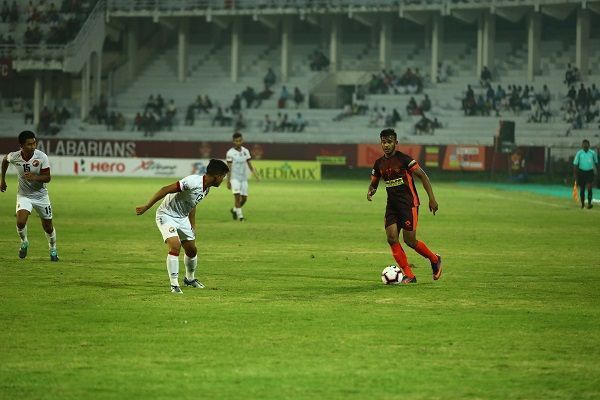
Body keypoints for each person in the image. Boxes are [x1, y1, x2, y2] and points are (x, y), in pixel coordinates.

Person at [135, 159, 230, 294]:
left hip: (183, 218)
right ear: (217, 176)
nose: (223, 180)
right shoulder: (192, 182)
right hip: (166, 215)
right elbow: (165, 189)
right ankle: (174, 285)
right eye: (223, 177)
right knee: (175, 245)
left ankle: (189, 279)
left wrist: (193, 224)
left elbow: (192, 204)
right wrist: (146, 206)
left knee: (192, 251)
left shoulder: (206, 189)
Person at [367, 128, 442, 284]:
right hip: (392, 206)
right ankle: (409, 274)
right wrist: (371, 190)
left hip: (409, 205)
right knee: (392, 238)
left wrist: (432, 199)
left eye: (389, 142)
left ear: (396, 143)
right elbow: (374, 183)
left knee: (410, 241)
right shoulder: (379, 163)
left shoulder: (404, 160)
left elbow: (423, 176)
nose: (386, 145)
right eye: (383, 142)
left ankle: (434, 259)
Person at [1, 130, 59, 261]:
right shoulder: (15, 156)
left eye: (34, 143)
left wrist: (35, 177)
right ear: (21, 146)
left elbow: (48, 178)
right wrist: (2, 179)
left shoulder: (41, 157)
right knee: (20, 222)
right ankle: (24, 242)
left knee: (48, 227)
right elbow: (5, 160)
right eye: (29, 144)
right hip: (24, 195)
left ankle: (53, 249)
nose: (33, 146)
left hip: (41, 196)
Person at [226, 132, 260, 222]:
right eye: (236, 141)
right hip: (234, 178)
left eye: (240, 140)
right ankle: (241, 217)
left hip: (243, 178)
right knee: (237, 197)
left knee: (244, 199)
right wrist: (228, 180)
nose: (238, 142)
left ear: (242, 140)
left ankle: (234, 210)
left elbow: (249, 164)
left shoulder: (246, 151)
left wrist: (255, 175)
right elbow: (228, 168)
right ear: (233, 141)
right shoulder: (230, 153)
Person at [573, 139, 598, 209]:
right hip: (581, 172)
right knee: (582, 189)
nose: (585, 145)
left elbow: (596, 163)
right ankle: (583, 204)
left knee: (589, 187)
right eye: (584, 144)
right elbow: (575, 164)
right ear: (582, 145)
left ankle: (589, 203)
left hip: (590, 172)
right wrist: (575, 175)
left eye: (586, 144)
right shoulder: (579, 153)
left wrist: (598, 172)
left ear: (589, 145)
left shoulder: (592, 153)